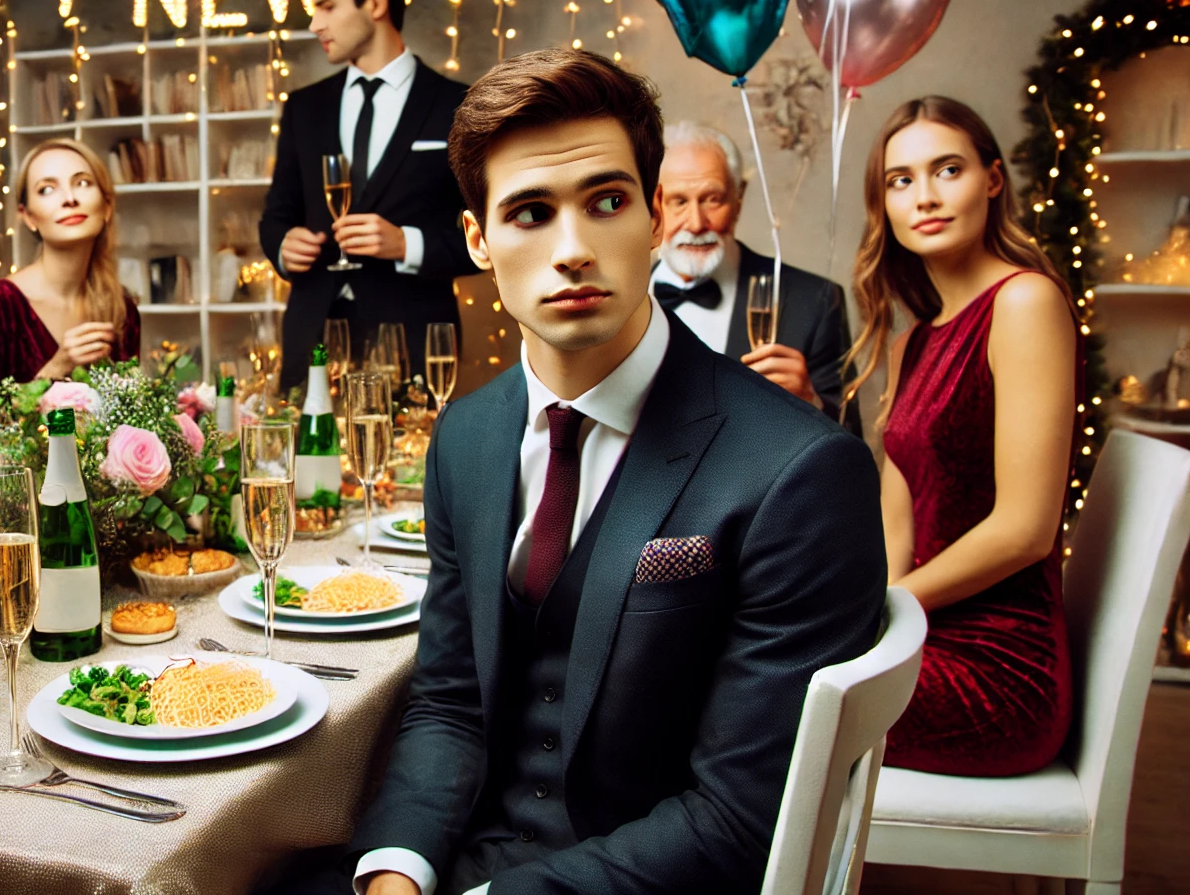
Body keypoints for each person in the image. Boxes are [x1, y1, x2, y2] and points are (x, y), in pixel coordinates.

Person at [318, 49, 885, 895]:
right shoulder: (465, 439)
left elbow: (741, 819)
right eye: (530, 213)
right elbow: (448, 704)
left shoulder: (800, 472)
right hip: (469, 855)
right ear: (478, 240)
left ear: (655, 217)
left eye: (607, 202)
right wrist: (397, 874)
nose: (574, 249)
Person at [850, 96, 1078, 777]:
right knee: (746, 665)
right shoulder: (911, 340)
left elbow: (1026, 530)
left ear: (993, 179)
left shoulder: (1024, 302)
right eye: (901, 180)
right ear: (884, 204)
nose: (925, 195)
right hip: (921, 638)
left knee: (754, 690)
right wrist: (874, 627)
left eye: (947, 169)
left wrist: (882, 611)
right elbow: (899, 527)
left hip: (1000, 672)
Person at [259, 0, 480, 392]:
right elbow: (276, 215)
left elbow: (492, 234)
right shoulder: (305, 107)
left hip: (415, 344)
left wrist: (406, 244)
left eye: (326, 6)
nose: (315, 23)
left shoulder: (459, 105)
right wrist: (283, 246)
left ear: (376, 2)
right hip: (311, 339)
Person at [650, 121, 858, 432]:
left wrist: (810, 403)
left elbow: (851, 447)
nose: (695, 223)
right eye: (679, 202)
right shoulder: (621, 299)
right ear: (653, 205)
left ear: (738, 199)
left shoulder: (815, 301)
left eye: (712, 199)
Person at [0, 139, 140, 412]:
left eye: (83, 183)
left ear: (107, 206)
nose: (69, 199)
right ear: (28, 216)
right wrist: (57, 367)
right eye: (47, 189)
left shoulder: (121, 308)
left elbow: (129, 418)